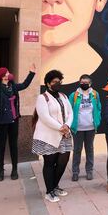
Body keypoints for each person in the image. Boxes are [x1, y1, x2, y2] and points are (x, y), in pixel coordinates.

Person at [0, 64, 35, 181]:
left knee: (14, 146)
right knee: (1, 147)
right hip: (1, 122)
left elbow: (24, 85)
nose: (9, 74)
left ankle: (14, 169)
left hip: (14, 120)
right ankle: (0, 171)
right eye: (7, 73)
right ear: (3, 76)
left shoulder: (12, 87)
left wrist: (31, 73)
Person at [32, 70, 73, 203]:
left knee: (63, 162)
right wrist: (60, 127)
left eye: (59, 81)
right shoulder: (42, 98)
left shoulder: (63, 96)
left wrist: (67, 125)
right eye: (55, 82)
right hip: (48, 137)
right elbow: (44, 117)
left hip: (64, 135)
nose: (58, 84)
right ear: (48, 83)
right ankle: (49, 191)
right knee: (50, 163)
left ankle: (55, 186)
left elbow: (70, 113)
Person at [69, 74, 101, 181]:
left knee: (90, 149)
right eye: (82, 83)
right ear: (79, 83)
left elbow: (99, 108)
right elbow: (69, 111)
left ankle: (89, 171)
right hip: (77, 129)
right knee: (77, 150)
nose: (84, 84)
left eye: (86, 83)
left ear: (90, 83)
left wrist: (97, 120)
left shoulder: (95, 94)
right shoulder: (74, 95)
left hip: (91, 128)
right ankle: (75, 172)